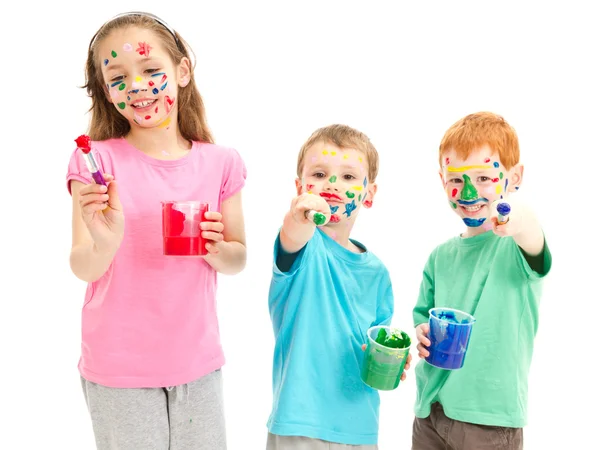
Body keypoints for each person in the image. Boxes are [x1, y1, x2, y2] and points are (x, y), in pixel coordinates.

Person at [66, 12, 247, 450]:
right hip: (120, 368)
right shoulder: (97, 164)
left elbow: (238, 257)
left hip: (198, 364)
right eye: (119, 77)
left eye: (151, 70)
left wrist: (215, 247)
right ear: (107, 92)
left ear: (182, 71)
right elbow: (82, 265)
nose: (138, 86)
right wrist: (106, 242)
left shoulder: (221, 162)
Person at [411, 112, 552, 450]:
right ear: (442, 180)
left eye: (485, 177)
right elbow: (422, 315)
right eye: (456, 179)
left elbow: (533, 236)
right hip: (431, 411)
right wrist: (421, 333)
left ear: (513, 177)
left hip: (489, 420)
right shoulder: (440, 256)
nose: (469, 191)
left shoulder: (517, 246)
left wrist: (512, 215)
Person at [266, 124, 411, 450]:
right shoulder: (301, 244)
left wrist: (393, 361)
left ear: (368, 194)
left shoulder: (377, 273)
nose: (331, 184)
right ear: (300, 186)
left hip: (359, 425)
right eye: (319, 174)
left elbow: (373, 343)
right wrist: (300, 214)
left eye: (348, 176)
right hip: (300, 423)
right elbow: (294, 230)